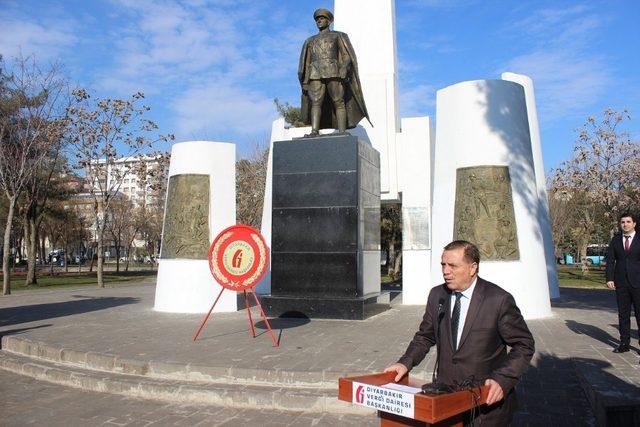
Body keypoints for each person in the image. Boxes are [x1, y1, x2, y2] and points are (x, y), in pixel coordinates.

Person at [384, 240, 535, 425]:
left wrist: (502, 380)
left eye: (453, 266)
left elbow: (524, 345)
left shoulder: (498, 300)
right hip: (446, 400)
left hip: (485, 404)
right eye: (443, 265)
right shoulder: (437, 295)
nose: (446, 271)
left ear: (473, 268)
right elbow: (425, 336)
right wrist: (405, 363)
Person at [298, 8, 370, 136]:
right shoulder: (310, 40)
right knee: (315, 102)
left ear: (328, 21)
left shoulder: (338, 36)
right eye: (317, 20)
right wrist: (305, 81)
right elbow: (306, 61)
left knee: (338, 101)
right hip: (315, 73)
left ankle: (342, 131)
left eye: (322, 19)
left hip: (334, 71)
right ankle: (315, 131)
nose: (319, 21)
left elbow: (347, 56)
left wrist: (343, 68)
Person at [606, 213, 640, 354]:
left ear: (634, 224)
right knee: (623, 314)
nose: (625, 224)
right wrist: (609, 278)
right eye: (622, 222)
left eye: (628, 221)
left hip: (638, 282)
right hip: (621, 283)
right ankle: (624, 343)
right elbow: (610, 261)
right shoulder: (615, 240)